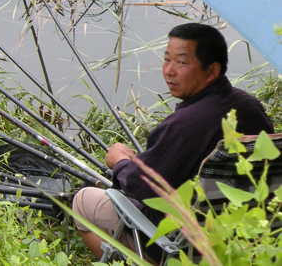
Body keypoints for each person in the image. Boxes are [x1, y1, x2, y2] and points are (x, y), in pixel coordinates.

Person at [73, 23, 274, 260]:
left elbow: (140, 187)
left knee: (84, 201)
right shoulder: (250, 105)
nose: (169, 71)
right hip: (247, 235)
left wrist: (120, 162)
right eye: (166, 60)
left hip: (185, 245)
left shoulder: (183, 126)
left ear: (212, 71)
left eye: (181, 62)